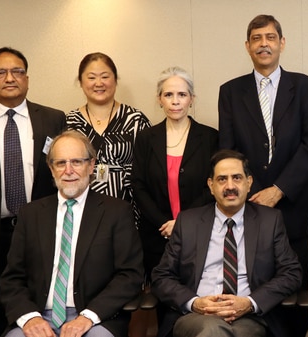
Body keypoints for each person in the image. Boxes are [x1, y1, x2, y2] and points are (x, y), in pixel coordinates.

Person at [218, 15, 308, 335]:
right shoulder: (231, 91)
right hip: (250, 207)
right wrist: (253, 191)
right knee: (256, 285)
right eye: (257, 38)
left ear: (282, 43)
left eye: (270, 37)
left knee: (292, 292)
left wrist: (278, 189)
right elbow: (229, 151)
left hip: (294, 206)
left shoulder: (305, 86)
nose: (264, 43)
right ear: (247, 46)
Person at [0, 47, 65, 337]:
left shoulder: (52, 119)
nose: (10, 78)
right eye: (0, 72)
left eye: (17, 71)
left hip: (43, 231)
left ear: (27, 78)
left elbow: (64, 175)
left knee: (41, 307)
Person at [0, 130, 144, 337]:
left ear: (91, 165)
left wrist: (88, 316)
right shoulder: (30, 214)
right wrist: (29, 317)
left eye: (77, 162)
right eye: (60, 163)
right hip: (38, 315)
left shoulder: (116, 212)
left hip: (94, 318)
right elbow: (12, 278)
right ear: (51, 168)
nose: (68, 171)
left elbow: (130, 275)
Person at [151, 149, 302, 337]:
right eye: (222, 179)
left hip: (249, 317)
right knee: (212, 330)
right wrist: (195, 302)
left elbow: (291, 273)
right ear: (211, 185)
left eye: (237, 178)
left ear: (249, 182)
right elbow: (161, 276)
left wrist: (249, 302)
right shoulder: (188, 222)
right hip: (196, 316)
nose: (230, 186)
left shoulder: (269, 221)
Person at [132, 66, 218, 333]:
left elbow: (212, 187)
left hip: (201, 231)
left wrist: (181, 221)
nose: (175, 100)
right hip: (157, 235)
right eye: (168, 94)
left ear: (192, 98)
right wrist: (164, 223)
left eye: (182, 94)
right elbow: (139, 185)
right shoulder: (146, 138)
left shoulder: (210, 137)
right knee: (165, 301)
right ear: (159, 99)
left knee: (199, 297)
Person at [66, 52, 151, 219]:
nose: (99, 83)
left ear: (115, 80)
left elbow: (151, 169)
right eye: (91, 77)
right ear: (81, 82)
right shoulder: (69, 123)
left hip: (131, 208)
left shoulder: (135, 119)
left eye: (105, 76)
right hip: (81, 208)